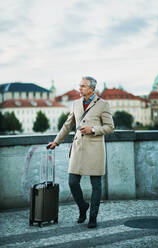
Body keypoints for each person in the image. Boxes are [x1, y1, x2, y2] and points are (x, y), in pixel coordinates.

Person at [47, 76, 114, 228]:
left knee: (96, 185)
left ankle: (92, 217)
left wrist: (94, 129)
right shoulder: (76, 103)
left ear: (92, 89)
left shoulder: (103, 104)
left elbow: (110, 127)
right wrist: (56, 141)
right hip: (78, 148)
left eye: (83, 86)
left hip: (95, 148)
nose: (80, 88)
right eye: (80, 85)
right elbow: (67, 124)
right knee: (72, 182)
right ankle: (83, 206)